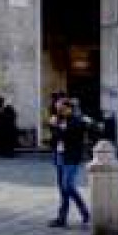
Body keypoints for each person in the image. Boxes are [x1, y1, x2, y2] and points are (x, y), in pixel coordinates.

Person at [45, 98, 93, 228]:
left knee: (68, 186)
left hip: (71, 157)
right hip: (60, 156)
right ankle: (62, 218)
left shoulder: (76, 121)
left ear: (69, 108)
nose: (58, 111)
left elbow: (66, 136)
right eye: (57, 108)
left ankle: (86, 213)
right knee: (63, 189)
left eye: (61, 108)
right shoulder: (59, 120)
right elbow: (55, 138)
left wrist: (55, 126)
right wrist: (53, 127)